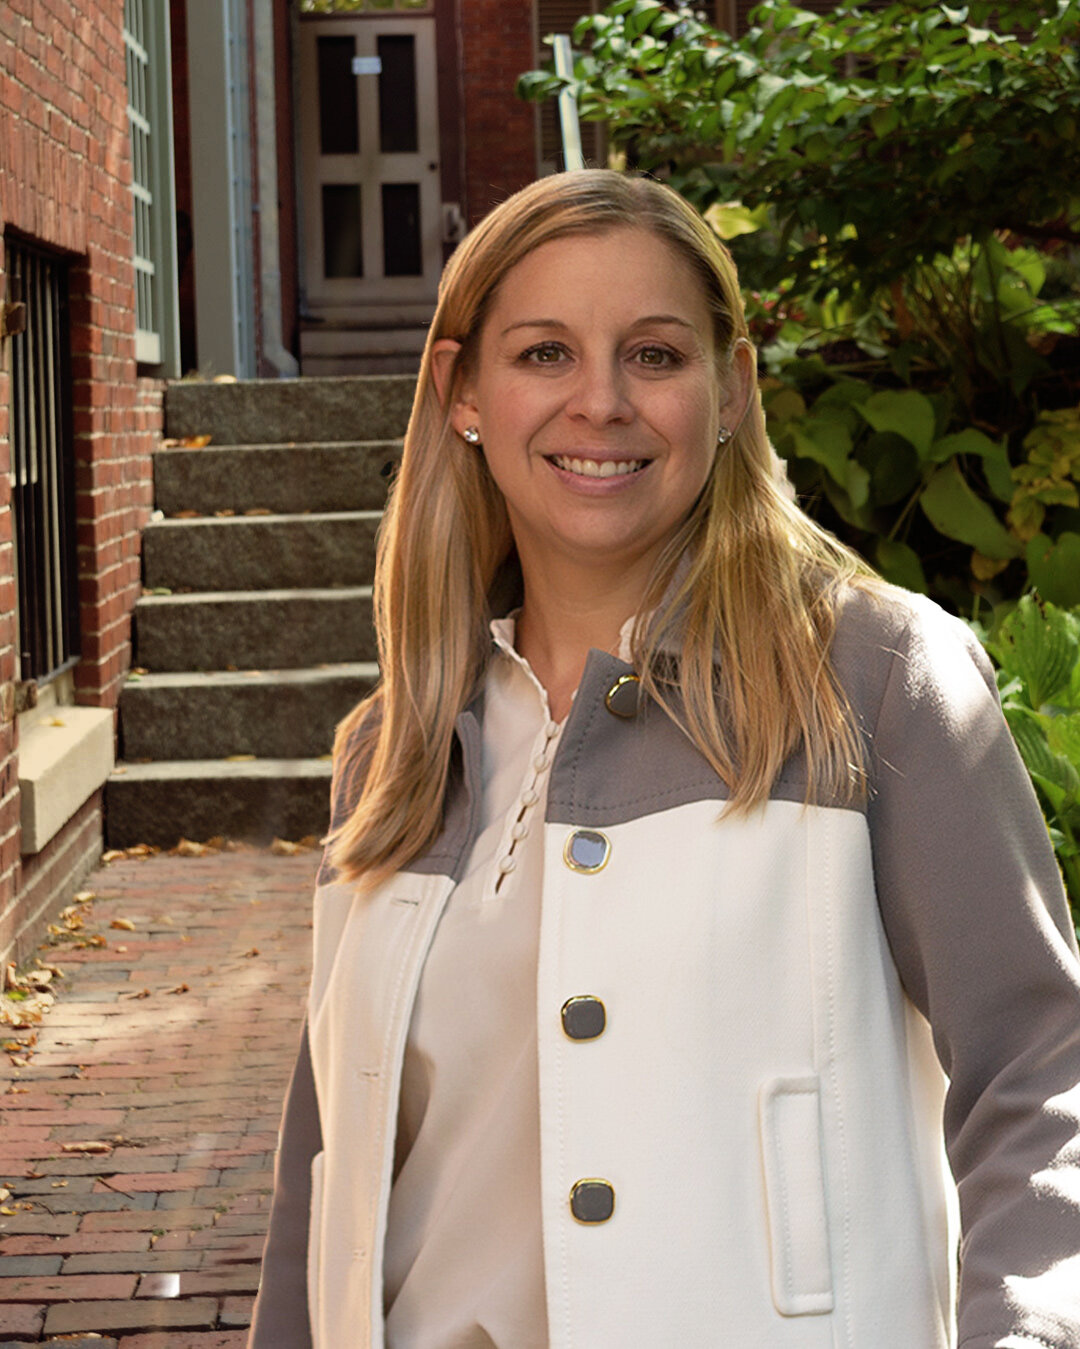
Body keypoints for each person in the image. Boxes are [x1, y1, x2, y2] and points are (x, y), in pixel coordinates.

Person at [248, 170, 1080, 1349]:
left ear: (731, 388)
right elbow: (321, 1178)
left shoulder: (877, 676)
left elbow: (1042, 1070)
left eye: (653, 354)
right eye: (543, 353)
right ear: (461, 392)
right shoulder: (393, 751)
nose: (601, 402)